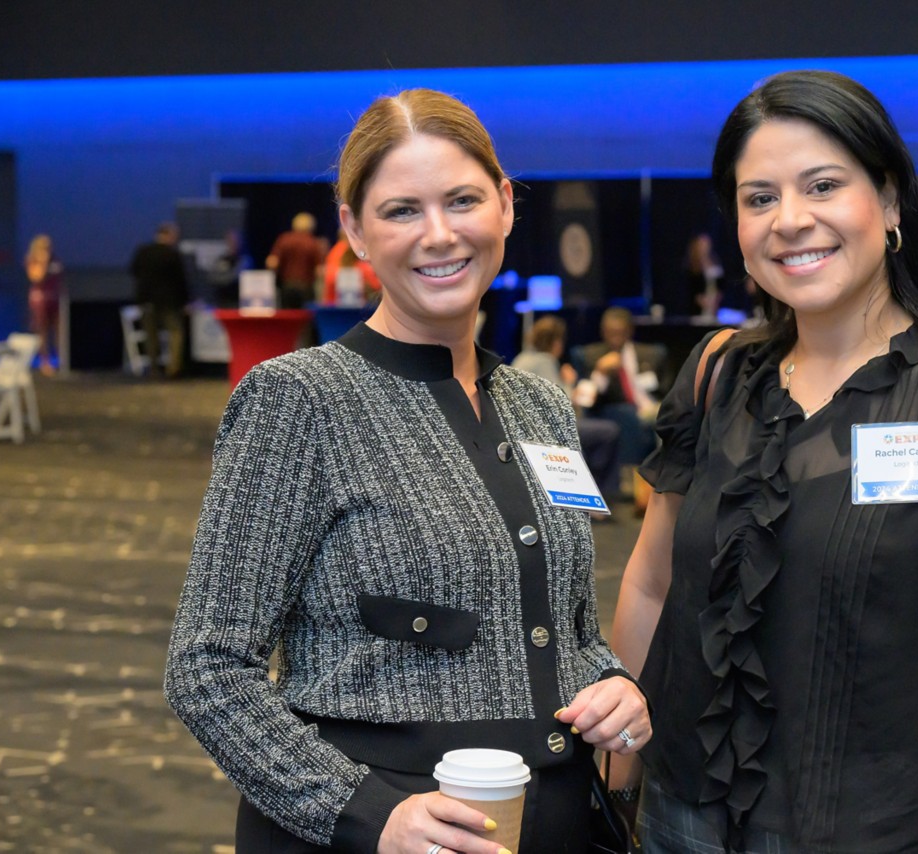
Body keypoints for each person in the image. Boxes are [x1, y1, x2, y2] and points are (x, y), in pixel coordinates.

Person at [609, 70, 918, 854]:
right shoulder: (718, 374)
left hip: (881, 830)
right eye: (758, 197)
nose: (790, 221)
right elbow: (652, 583)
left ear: (892, 201)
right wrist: (613, 788)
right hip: (682, 821)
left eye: (823, 185)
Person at [165, 88, 650, 854]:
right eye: (401, 211)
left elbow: (562, 627)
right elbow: (205, 670)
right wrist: (366, 813)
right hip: (376, 830)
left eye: (462, 200)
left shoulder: (540, 407)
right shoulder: (299, 401)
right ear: (355, 231)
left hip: (551, 816)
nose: (439, 234)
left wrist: (612, 682)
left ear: (505, 205)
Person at [511, 315, 623, 508]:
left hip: (524, 426)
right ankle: (603, 493)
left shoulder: (522, 357)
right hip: (545, 428)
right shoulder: (545, 361)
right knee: (609, 431)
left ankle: (593, 488)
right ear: (556, 341)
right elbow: (559, 405)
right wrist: (570, 382)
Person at [574, 306, 667, 467]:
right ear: (603, 331)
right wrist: (600, 373)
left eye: (621, 333)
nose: (616, 338)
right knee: (633, 416)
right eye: (611, 333)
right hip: (624, 414)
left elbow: (667, 388)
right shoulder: (589, 356)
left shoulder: (651, 354)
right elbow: (585, 401)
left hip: (654, 408)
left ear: (630, 331)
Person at [129, 222, 189, 378]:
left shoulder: (143, 252)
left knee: (151, 335)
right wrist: (185, 301)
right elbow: (180, 280)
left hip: (147, 301)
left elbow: (133, 271)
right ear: (169, 235)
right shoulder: (172, 254)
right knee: (175, 332)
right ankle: (173, 368)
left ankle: (153, 368)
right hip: (169, 302)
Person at [266, 212, 327, 308]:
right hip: (306, 288)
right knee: (305, 319)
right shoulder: (313, 243)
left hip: (287, 287)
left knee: (288, 318)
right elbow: (319, 271)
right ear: (311, 227)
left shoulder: (284, 240)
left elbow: (272, 263)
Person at [23, 234, 63, 374]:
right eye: (44, 246)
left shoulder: (55, 259)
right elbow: (36, 277)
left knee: (60, 330)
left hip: (55, 299)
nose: (47, 249)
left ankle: (61, 360)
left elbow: (60, 278)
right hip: (40, 299)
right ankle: (44, 362)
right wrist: (43, 262)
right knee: (42, 331)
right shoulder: (33, 259)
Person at [324, 227, 382, 304]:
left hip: (336, 303)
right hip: (345, 302)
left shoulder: (334, 251)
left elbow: (330, 277)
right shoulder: (345, 250)